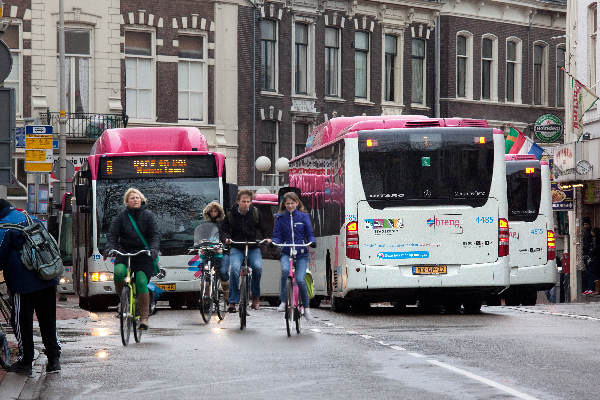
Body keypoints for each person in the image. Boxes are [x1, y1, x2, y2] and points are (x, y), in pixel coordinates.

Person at [0, 199, 61, 375]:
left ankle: (26, 360)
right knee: (48, 320)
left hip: (23, 283)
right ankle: (54, 360)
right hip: (47, 277)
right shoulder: (30, 218)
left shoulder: (4, 225)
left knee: (21, 321)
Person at [106, 188, 160, 330]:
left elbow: (155, 235)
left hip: (143, 255)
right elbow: (112, 235)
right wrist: (109, 247)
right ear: (127, 202)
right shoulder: (121, 217)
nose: (135, 200)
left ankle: (144, 317)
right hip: (124, 253)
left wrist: (154, 249)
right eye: (132, 198)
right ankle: (123, 300)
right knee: (118, 272)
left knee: (142, 282)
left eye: (137, 197)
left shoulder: (149, 216)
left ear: (141, 200)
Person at [221, 190, 270, 312]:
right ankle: (232, 301)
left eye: (248, 201)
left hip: (253, 246)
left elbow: (264, 228)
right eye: (243, 201)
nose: (246, 204)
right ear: (238, 202)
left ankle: (255, 297)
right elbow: (224, 231)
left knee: (257, 268)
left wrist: (267, 238)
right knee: (234, 270)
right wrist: (226, 239)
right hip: (236, 246)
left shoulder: (255, 213)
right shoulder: (230, 214)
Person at [272, 192, 316, 321]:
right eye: (287, 203)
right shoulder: (280, 218)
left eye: (292, 203)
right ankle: (284, 302)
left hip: (301, 253)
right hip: (287, 251)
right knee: (285, 271)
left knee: (300, 279)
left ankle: (307, 308)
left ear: (297, 203)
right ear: (284, 204)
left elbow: (309, 233)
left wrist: (312, 241)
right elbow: (277, 234)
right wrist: (275, 242)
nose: (290, 205)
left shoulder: (304, 216)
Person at [201, 201, 229, 302]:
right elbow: (201, 236)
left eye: (215, 211)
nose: (213, 213)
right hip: (209, 251)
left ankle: (227, 296)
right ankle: (206, 296)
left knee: (222, 272)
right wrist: (201, 245)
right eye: (211, 211)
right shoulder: (204, 224)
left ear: (219, 212)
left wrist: (225, 240)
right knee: (205, 271)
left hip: (223, 251)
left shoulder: (223, 223)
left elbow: (225, 234)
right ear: (208, 212)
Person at [582, 217, 596, 295]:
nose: (585, 226)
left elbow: (593, 245)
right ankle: (588, 288)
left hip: (590, 256)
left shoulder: (591, 232)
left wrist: (590, 254)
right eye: (584, 224)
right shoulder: (585, 232)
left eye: (586, 224)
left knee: (590, 272)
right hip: (586, 255)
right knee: (587, 272)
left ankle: (591, 288)